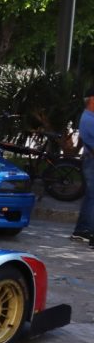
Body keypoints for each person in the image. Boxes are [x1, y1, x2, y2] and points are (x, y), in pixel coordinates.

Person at [69, 88, 94, 247]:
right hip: (91, 161)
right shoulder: (89, 119)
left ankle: (82, 230)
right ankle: (87, 231)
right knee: (92, 198)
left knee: (90, 197)